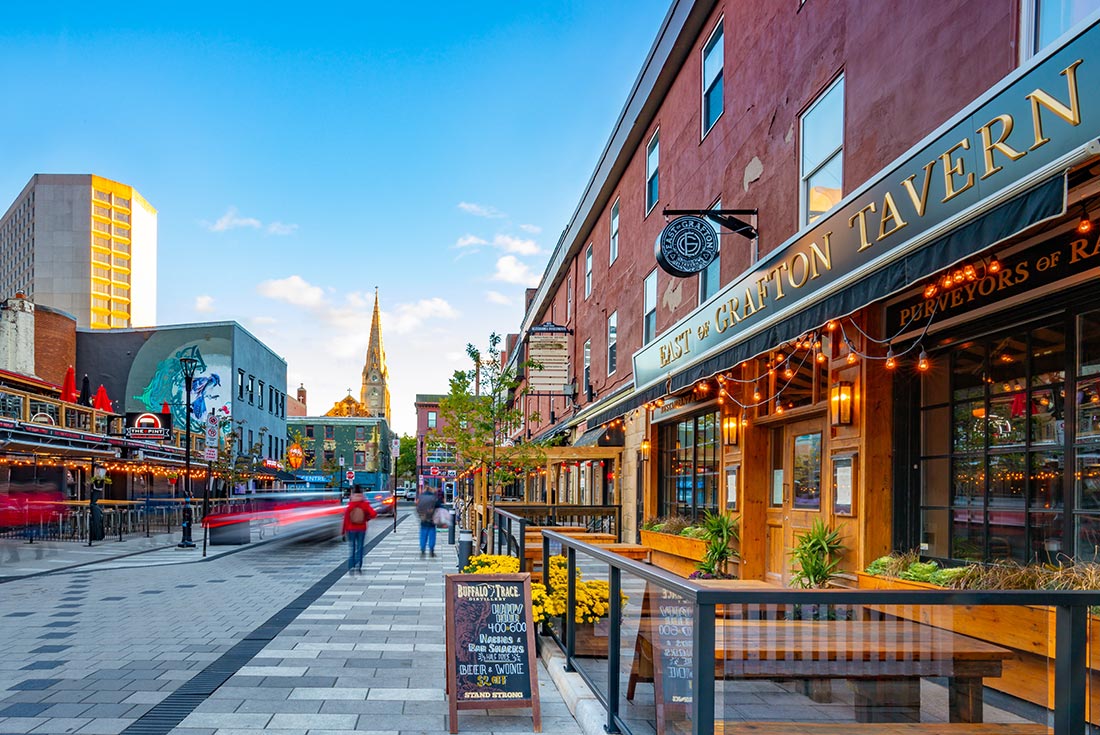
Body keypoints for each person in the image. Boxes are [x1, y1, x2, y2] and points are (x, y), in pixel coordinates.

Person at [342, 486, 377, 574]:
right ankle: (359, 566)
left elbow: (346, 519)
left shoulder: (350, 505)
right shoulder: (364, 504)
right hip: (361, 529)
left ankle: (351, 566)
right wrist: (366, 518)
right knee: (360, 548)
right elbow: (373, 514)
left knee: (352, 547)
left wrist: (343, 532)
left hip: (351, 529)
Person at [416, 484, 442, 558]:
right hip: (432, 519)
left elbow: (417, 507)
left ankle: (423, 549)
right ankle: (431, 550)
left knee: (423, 535)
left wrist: (420, 515)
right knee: (432, 535)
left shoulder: (420, 497)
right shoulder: (434, 497)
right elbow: (439, 506)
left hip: (423, 518)